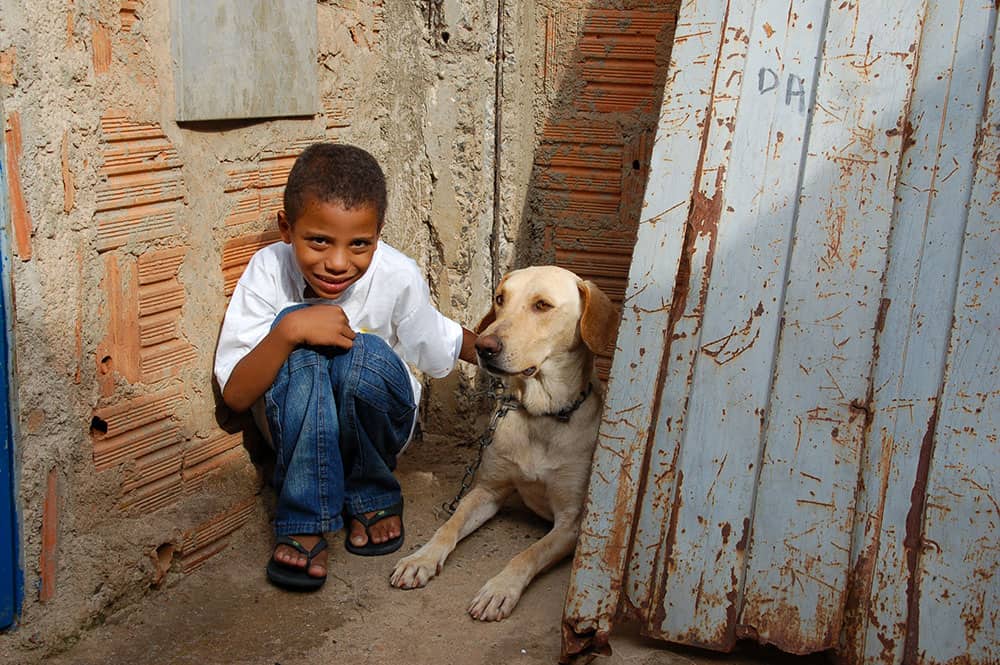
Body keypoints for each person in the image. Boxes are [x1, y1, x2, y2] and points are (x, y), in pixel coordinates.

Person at [214, 142, 477, 591]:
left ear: (378, 236)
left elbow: (438, 344)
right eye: (318, 241)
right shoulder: (267, 270)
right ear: (286, 227)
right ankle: (304, 519)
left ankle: (371, 491)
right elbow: (237, 396)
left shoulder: (397, 274)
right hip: (295, 430)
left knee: (362, 356)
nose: (338, 262)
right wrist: (289, 331)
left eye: (360, 244)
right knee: (302, 357)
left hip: (379, 426)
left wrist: (499, 349)